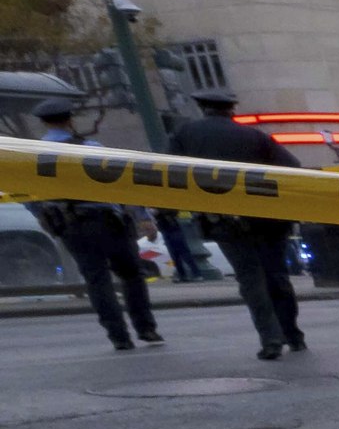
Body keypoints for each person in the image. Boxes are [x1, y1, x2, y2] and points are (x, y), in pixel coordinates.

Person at [167, 89, 308, 359]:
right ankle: (293, 335)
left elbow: (172, 172)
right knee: (276, 276)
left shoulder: (185, 135)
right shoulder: (255, 136)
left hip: (225, 221)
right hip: (268, 218)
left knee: (250, 279)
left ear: (203, 108)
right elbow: (292, 166)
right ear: (231, 110)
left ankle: (270, 339)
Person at [30, 95, 163, 352]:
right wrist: (143, 217)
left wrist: (44, 216)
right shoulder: (91, 148)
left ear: (43, 123)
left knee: (97, 280)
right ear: (69, 120)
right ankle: (146, 328)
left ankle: (119, 336)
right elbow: (122, 185)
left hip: (71, 225)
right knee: (132, 275)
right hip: (108, 221)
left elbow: (29, 196)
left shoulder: (36, 155)